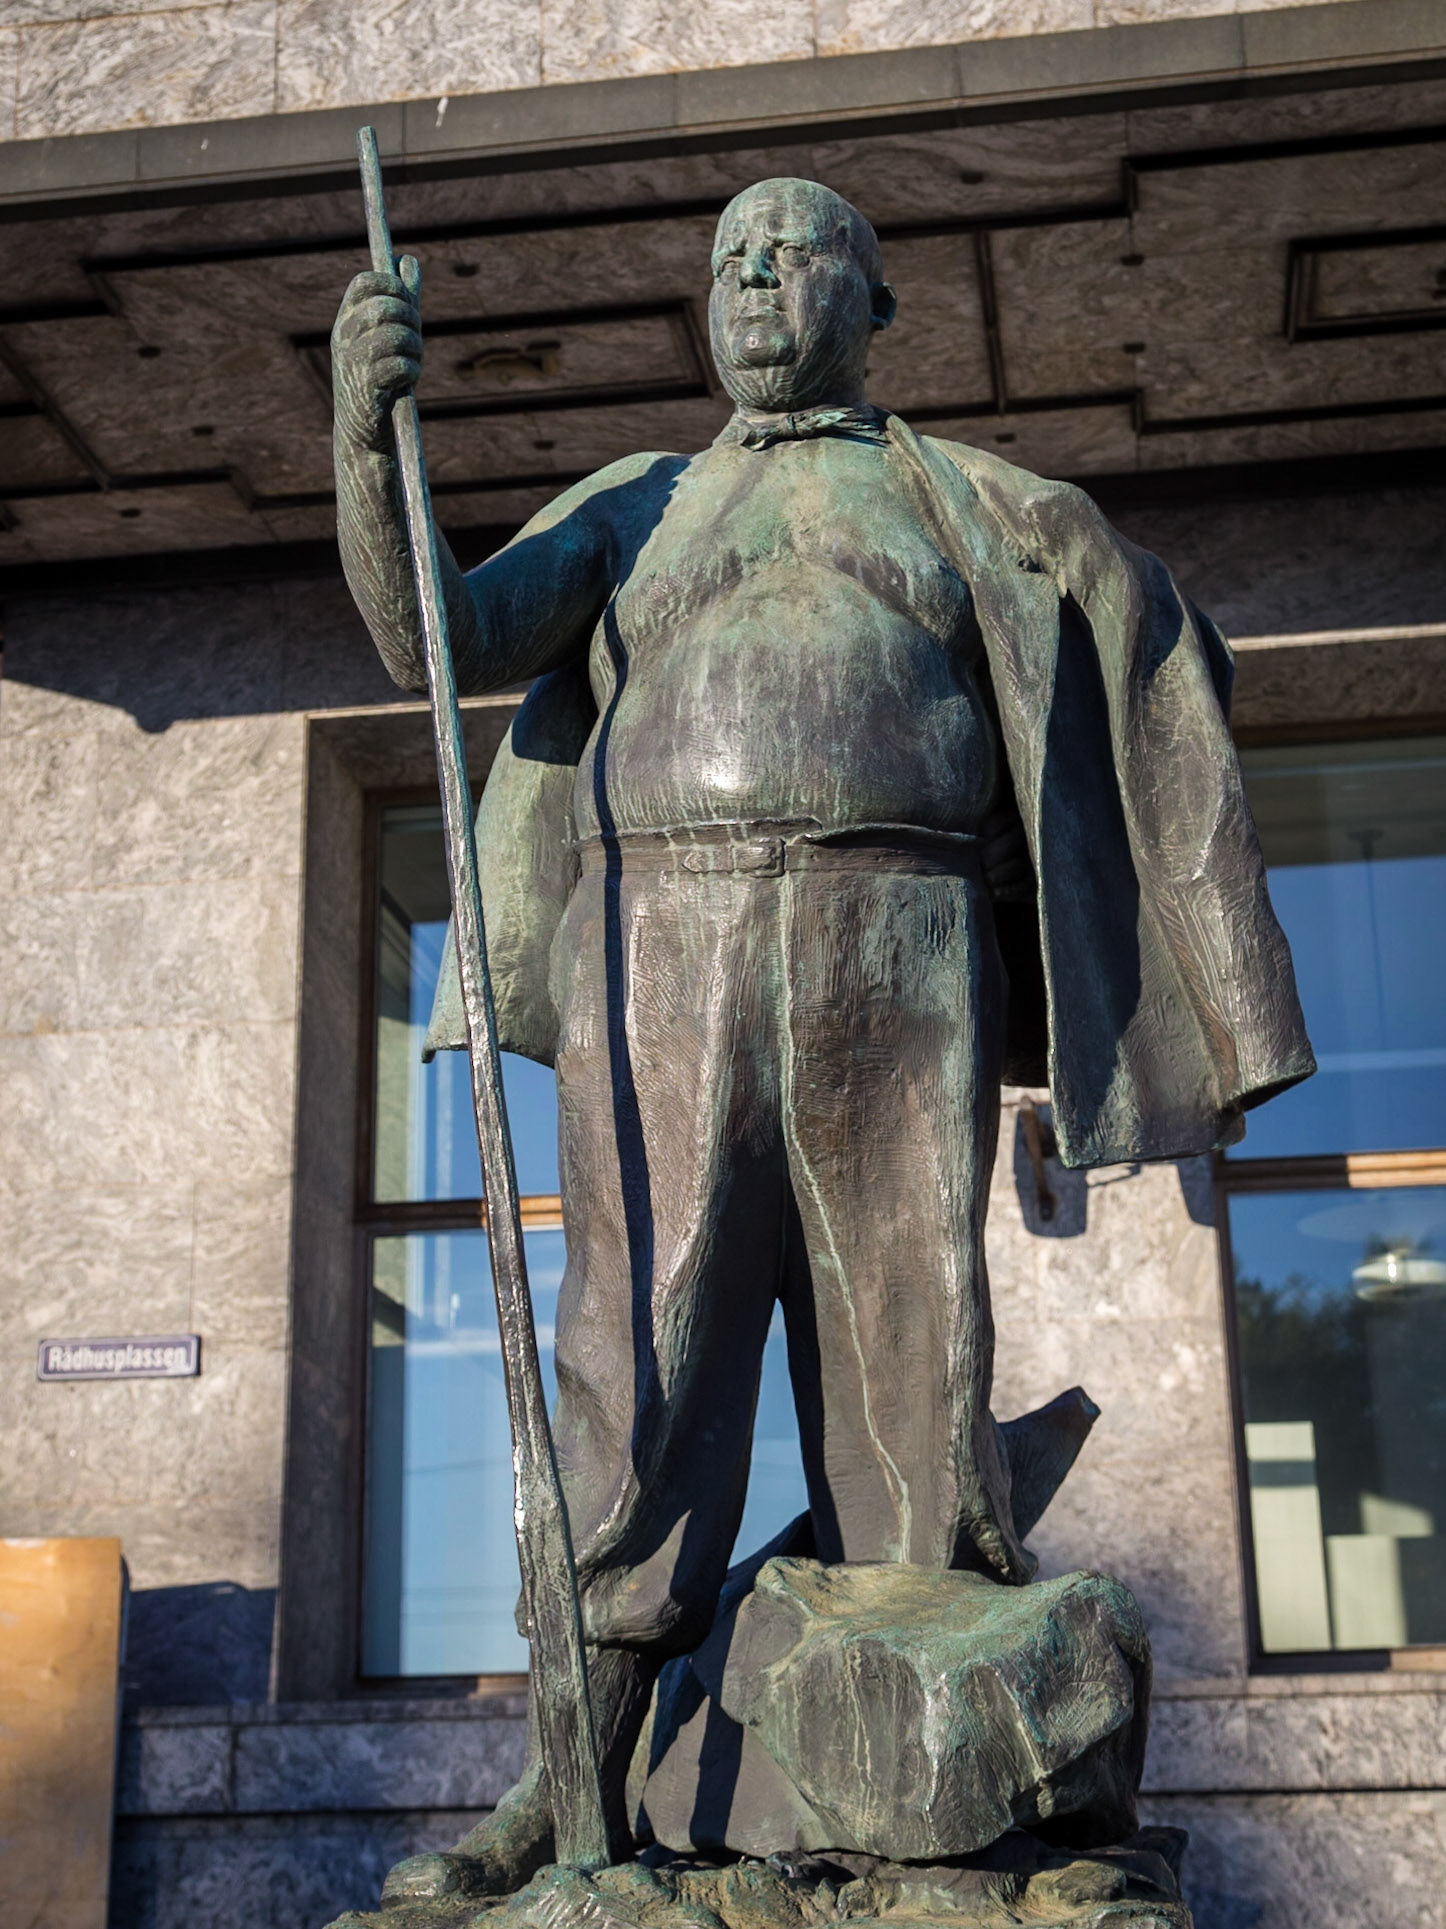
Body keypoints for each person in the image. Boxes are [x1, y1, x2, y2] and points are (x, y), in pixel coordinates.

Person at [331, 178, 1312, 1899]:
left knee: (910, 1353)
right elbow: (442, 635)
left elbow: (1140, 652)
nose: (753, 282)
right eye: (726, 262)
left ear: (873, 301)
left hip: (900, 930)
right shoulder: (638, 503)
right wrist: (364, 439)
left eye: (790, 256)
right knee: (639, 1364)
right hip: (665, 936)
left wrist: (1099, 573)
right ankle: (572, 1773)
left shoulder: (952, 495)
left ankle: (936, 1790)